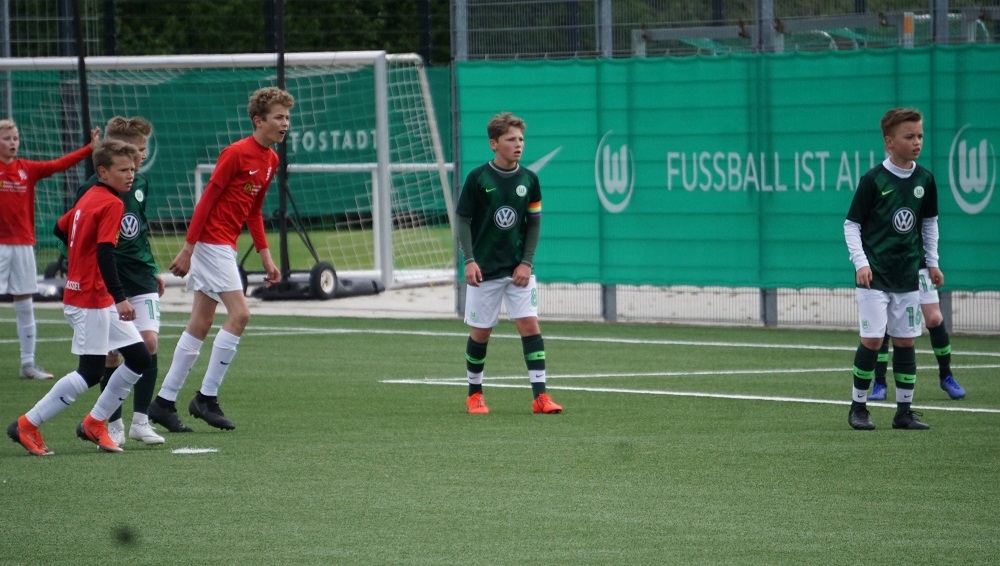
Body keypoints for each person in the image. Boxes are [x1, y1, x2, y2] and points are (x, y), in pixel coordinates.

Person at [147, 87, 291, 432]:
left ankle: (163, 403)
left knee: (200, 322)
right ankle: (206, 398)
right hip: (211, 243)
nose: (285, 123)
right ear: (258, 121)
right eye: (278, 117)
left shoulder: (271, 160)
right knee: (240, 315)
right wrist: (188, 248)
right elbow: (207, 201)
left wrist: (266, 257)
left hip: (224, 245)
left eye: (287, 117)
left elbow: (254, 211)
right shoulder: (236, 153)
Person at [7, 139, 151, 455]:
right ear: (103, 171)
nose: (130, 175)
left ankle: (95, 422)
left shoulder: (90, 196)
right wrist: (121, 297)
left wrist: (81, 263)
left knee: (139, 357)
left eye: (132, 169)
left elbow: (61, 228)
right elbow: (105, 253)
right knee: (90, 371)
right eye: (122, 170)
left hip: (91, 295)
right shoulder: (112, 203)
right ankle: (26, 424)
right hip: (90, 300)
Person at [456, 111, 562, 416]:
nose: (519, 145)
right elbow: (463, 220)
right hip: (484, 271)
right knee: (481, 332)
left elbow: (534, 222)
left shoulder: (530, 179)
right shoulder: (478, 178)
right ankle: (474, 395)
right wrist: (469, 260)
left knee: (530, 325)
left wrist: (526, 262)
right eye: (511, 139)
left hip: (518, 271)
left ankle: (540, 397)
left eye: (521, 139)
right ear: (494, 143)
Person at [844, 107, 941, 431]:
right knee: (873, 339)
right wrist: (861, 263)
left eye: (920, 136)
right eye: (909, 136)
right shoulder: (873, 180)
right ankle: (858, 408)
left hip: (908, 275)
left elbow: (929, 224)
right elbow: (851, 225)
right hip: (874, 277)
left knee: (905, 341)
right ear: (889, 142)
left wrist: (932, 262)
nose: (917, 142)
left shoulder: (925, 179)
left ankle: (903, 412)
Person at [73, 117, 166, 447]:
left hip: (140, 276)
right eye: (138, 150)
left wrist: (151, 267)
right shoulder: (90, 190)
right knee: (111, 355)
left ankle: (141, 421)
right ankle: (111, 423)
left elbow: (137, 229)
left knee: (149, 344)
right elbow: (73, 235)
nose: (142, 156)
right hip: (107, 279)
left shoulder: (140, 184)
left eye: (143, 150)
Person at [0, 119, 100, 380]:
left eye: (15, 138)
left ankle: (27, 364)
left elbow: (57, 165)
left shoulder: (26, 169)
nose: (12, 143)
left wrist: (88, 149)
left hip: (23, 245)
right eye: (7, 138)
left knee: (24, 302)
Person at [868, 267, 966, 401]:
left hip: (919, 268)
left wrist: (933, 264)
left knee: (934, 318)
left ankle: (946, 375)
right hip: (889, 269)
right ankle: (879, 383)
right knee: (884, 324)